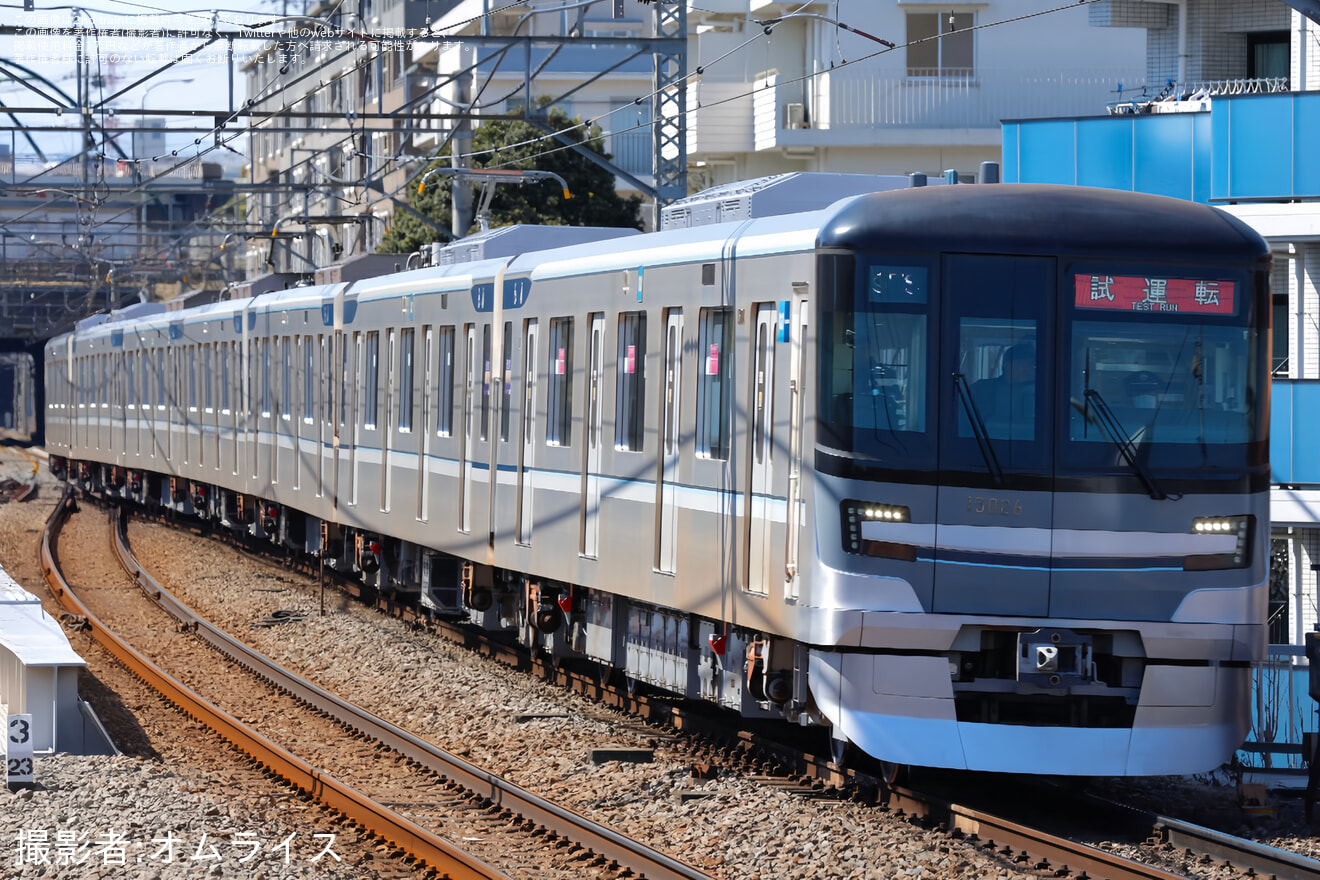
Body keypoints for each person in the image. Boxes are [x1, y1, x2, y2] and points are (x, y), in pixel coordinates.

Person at [970, 341, 1035, 426]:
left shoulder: (1043, 393)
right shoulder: (981, 389)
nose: (1029, 369)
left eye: (1032, 365)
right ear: (1007, 365)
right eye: (1024, 364)